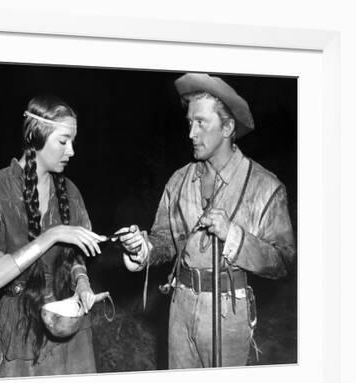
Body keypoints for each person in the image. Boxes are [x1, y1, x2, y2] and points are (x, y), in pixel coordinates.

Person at [116, 73, 295, 368]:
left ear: (227, 127)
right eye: (189, 123)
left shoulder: (264, 187)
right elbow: (166, 239)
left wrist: (234, 234)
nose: (191, 134)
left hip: (229, 313)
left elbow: (283, 261)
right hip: (180, 306)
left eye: (201, 123)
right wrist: (143, 248)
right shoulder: (179, 180)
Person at [0, 95, 106, 377]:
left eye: (73, 142)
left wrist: (82, 285)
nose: (72, 151)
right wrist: (51, 235)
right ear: (36, 135)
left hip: (72, 325)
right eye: (63, 141)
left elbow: (76, 256)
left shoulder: (70, 191)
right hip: (21, 333)